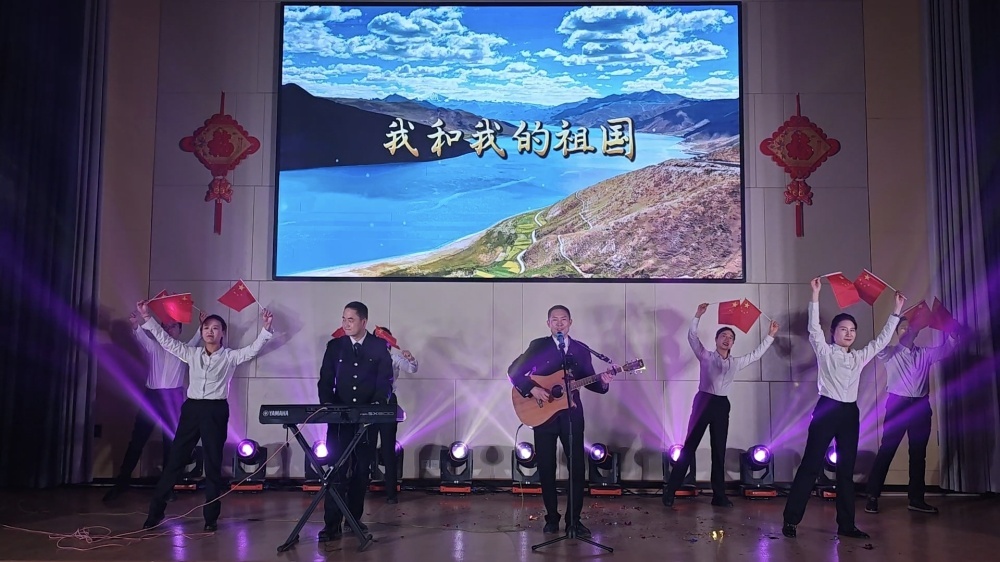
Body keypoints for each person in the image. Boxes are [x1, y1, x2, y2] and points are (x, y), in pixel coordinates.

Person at [782, 278, 904, 539]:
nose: (848, 334)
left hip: (850, 414)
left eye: (852, 330)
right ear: (834, 332)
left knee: (845, 471)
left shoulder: (858, 357)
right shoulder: (825, 352)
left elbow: (881, 341)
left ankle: (847, 525)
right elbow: (813, 329)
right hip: (827, 410)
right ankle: (791, 520)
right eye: (843, 329)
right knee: (811, 465)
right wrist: (815, 294)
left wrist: (896, 311)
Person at [138, 302, 274, 532]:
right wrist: (146, 317)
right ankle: (155, 513)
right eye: (206, 328)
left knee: (212, 464)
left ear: (222, 333)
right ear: (201, 332)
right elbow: (166, 341)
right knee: (175, 460)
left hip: (215, 410)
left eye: (215, 328)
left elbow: (252, 350)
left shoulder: (229, 356)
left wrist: (266, 328)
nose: (210, 331)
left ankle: (211, 518)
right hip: (192, 409)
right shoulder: (191, 353)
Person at [508, 305, 614, 538]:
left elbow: (590, 381)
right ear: (548, 324)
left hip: (571, 415)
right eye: (554, 320)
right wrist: (532, 389)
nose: (559, 323)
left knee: (577, 467)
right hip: (542, 414)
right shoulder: (538, 346)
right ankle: (552, 518)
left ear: (570, 322)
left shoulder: (581, 349)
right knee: (546, 466)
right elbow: (514, 371)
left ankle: (574, 520)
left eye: (563, 319)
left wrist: (604, 382)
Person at [663, 303, 779, 508]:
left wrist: (770, 335)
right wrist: (698, 315)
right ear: (716, 340)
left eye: (730, 337)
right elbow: (692, 337)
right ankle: (670, 491)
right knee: (689, 447)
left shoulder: (735, 362)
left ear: (733, 343)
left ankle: (719, 496)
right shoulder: (706, 356)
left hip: (721, 405)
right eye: (723, 336)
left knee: (719, 451)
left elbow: (756, 354)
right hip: (703, 402)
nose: (727, 339)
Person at [103, 309, 203, 502]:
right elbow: (140, 335)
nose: (168, 329)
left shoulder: (185, 349)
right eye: (165, 326)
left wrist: (201, 325)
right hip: (152, 397)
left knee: (170, 445)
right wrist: (135, 323)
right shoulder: (154, 346)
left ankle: (166, 488)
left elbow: (197, 338)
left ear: (180, 330)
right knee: (137, 442)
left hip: (173, 399)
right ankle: (121, 484)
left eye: (173, 326)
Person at [864, 318, 960, 515]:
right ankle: (872, 496)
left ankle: (916, 499)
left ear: (917, 333)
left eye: (911, 328)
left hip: (920, 406)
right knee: (887, 450)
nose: (907, 331)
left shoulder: (925, 353)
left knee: (918, 454)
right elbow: (877, 346)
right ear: (896, 332)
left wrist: (952, 333)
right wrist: (892, 321)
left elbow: (946, 349)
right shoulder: (890, 352)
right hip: (897, 405)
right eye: (902, 328)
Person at [317, 301, 393, 542]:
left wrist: (377, 406)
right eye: (343, 319)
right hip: (339, 419)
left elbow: (385, 381)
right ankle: (331, 525)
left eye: (350, 320)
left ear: (363, 322)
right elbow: (325, 380)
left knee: (361, 471)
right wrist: (327, 405)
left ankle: (353, 519)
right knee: (336, 469)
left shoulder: (378, 346)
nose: (345, 324)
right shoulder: (335, 346)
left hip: (366, 420)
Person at [373, 327, 417, 505]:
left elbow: (412, 369)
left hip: (388, 401)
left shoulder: (393, 358)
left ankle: (391, 493)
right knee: (364, 446)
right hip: (368, 403)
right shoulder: (365, 358)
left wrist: (410, 358)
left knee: (388, 448)